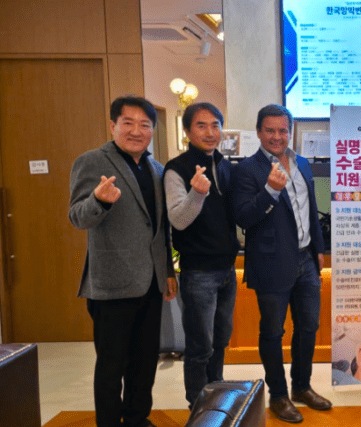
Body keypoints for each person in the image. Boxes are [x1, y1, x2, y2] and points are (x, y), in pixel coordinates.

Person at [68, 96, 178, 427]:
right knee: (111, 364)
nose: (136, 131)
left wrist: (167, 272)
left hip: (151, 283)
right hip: (112, 284)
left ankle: (136, 418)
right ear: (113, 125)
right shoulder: (92, 162)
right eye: (128, 123)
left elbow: (160, 228)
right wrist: (99, 200)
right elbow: (77, 217)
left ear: (152, 130)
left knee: (144, 361)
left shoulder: (157, 169)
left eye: (144, 124)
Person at [232, 104, 331, 423]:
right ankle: (278, 395)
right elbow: (243, 217)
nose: (277, 137)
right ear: (259, 132)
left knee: (309, 326)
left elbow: (311, 207)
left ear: (291, 132)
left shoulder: (301, 162)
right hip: (271, 263)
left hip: (306, 260)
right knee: (273, 331)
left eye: (283, 130)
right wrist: (270, 191)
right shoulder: (247, 169)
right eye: (270, 130)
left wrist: (318, 248)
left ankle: (302, 387)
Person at [163, 102, 241, 407]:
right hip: (198, 272)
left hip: (227, 269)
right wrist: (197, 193)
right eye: (201, 125)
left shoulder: (225, 166)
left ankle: (215, 394)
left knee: (220, 339)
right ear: (186, 131)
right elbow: (178, 220)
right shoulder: (176, 169)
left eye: (215, 125)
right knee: (199, 346)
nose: (210, 132)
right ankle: (197, 404)